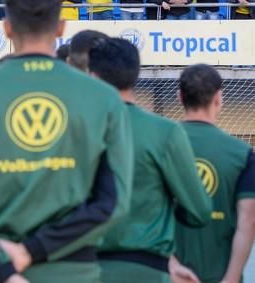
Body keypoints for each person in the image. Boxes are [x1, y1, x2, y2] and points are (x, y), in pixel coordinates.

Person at [0, 0, 133, 283]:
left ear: (7, 28)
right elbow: (112, 201)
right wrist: (33, 250)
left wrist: (2, 265)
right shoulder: (103, 97)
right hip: (71, 272)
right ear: (61, 28)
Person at [89, 39, 211, 283]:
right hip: (147, 269)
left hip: (85, 267)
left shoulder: (75, 130)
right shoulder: (165, 131)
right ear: (136, 74)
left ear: (92, 75)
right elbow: (199, 211)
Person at [172, 65, 255, 283]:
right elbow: (248, 219)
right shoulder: (242, 153)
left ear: (179, 97)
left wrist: (170, 265)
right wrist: (232, 277)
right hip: (220, 275)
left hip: (170, 275)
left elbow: (147, 210)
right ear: (219, 98)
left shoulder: (160, 143)